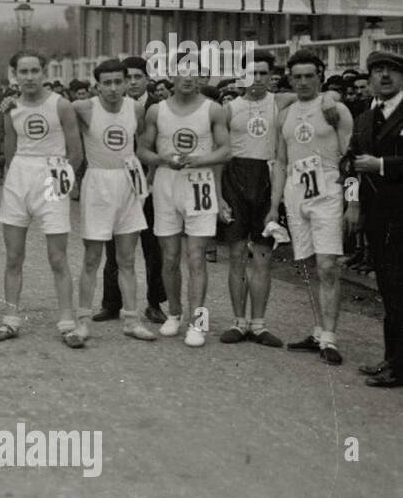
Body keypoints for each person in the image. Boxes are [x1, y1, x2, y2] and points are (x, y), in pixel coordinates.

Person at [219, 51, 339, 346]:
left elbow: (321, 93)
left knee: (263, 256)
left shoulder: (280, 102)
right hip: (235, 177)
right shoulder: (227, 108)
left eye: (263, 73)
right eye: (251, 73)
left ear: (272, 76)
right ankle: (238, 321)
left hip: (266, 178)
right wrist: (220, 198)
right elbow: (219, 155)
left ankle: (258, 324)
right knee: (235, 255)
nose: (257, 79)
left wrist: (330, 98)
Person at [0, 49, 83, 347]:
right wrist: (6, 184)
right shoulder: (10, 108)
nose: (29, 77)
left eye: (34, 71)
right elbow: (11, 152)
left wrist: (63, 182)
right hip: (20, 178)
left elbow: (75, 152)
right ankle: (10, 319)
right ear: (14, 75)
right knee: (14, 256)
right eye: (22, 72)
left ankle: (68, 322)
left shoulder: (61, 105)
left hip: (52, 175)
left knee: (57, 257)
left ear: (44, 73)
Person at [266, 51, 354, 366]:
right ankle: (317, 330)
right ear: (290, 79)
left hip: (328, 191)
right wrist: (274, 206)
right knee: (306, 265)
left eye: (309, 76)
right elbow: (280, 162)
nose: (303, 82)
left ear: (319, 76)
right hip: (295, 192)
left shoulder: (336, 109)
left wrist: (351, 201)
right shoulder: (285, 114)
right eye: (297, 76)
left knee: (328, 265)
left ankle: (330, 337)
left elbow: (352, 161)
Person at [137, 65, 231, 347]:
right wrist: (161, 159)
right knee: (169, 257)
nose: (189, 78)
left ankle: (198, 323)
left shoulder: (213, 109)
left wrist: (198, 160)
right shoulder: (157, 111)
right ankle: (175, 314)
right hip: (167, 183)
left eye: (195, 73)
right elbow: (142, 149)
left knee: (196, 257)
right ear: (172, 77)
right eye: (182, 73)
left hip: (199, 184)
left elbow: (226, 150)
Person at [72, 60, 156, 343]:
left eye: (118, 82)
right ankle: (82, 321)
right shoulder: (83, 108)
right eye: (106, 83)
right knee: (92, 258)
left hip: (127, 183)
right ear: (96, 86)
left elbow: (142, 142)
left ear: (125, 82)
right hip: (97, 184)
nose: (113, 88)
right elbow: (53, 115)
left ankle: (131, 319)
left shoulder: (136, 108)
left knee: (128, 258)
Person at [345, 51, 403, 388]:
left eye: (392, 71)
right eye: (378, 71)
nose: (384, 77)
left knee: (399, 289)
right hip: (377, 218)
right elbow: (350, 165)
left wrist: (381, 166)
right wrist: (352, 203)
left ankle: (398, 365)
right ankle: (391, 358)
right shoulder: (366, 118)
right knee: (388, 288)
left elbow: (370, 163)